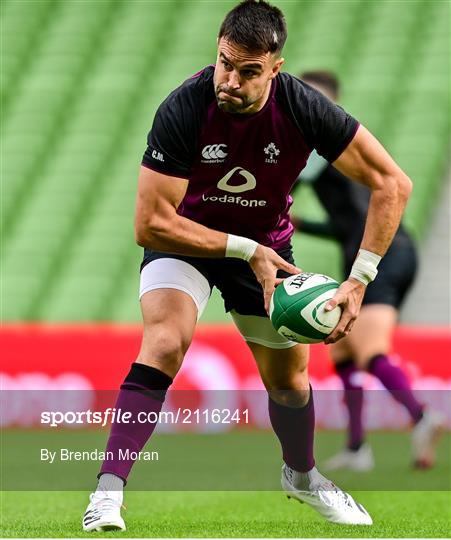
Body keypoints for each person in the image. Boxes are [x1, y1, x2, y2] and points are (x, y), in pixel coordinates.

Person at [82, 0, 414, 530]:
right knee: (165, 341)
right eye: (224, 63)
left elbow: (393, 184)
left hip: (268, 249)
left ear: (275, 67)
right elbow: (149, 224)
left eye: (248, 70)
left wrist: (359, 280)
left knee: (289, 382)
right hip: (187, 239)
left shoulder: (304, 108)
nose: (230, 80)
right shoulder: (185, 107)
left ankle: (302, 477)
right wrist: (242, 248)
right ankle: (108, 490)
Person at [291, 70, 444, 472]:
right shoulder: (346, 145)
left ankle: (420, 416)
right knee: (341, 349)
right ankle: (358, 448)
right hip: (376, 249)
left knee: (369, 350)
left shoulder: (317, 145)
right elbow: (348, 223)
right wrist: (302, 224)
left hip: (381, 255)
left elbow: (284, 185)